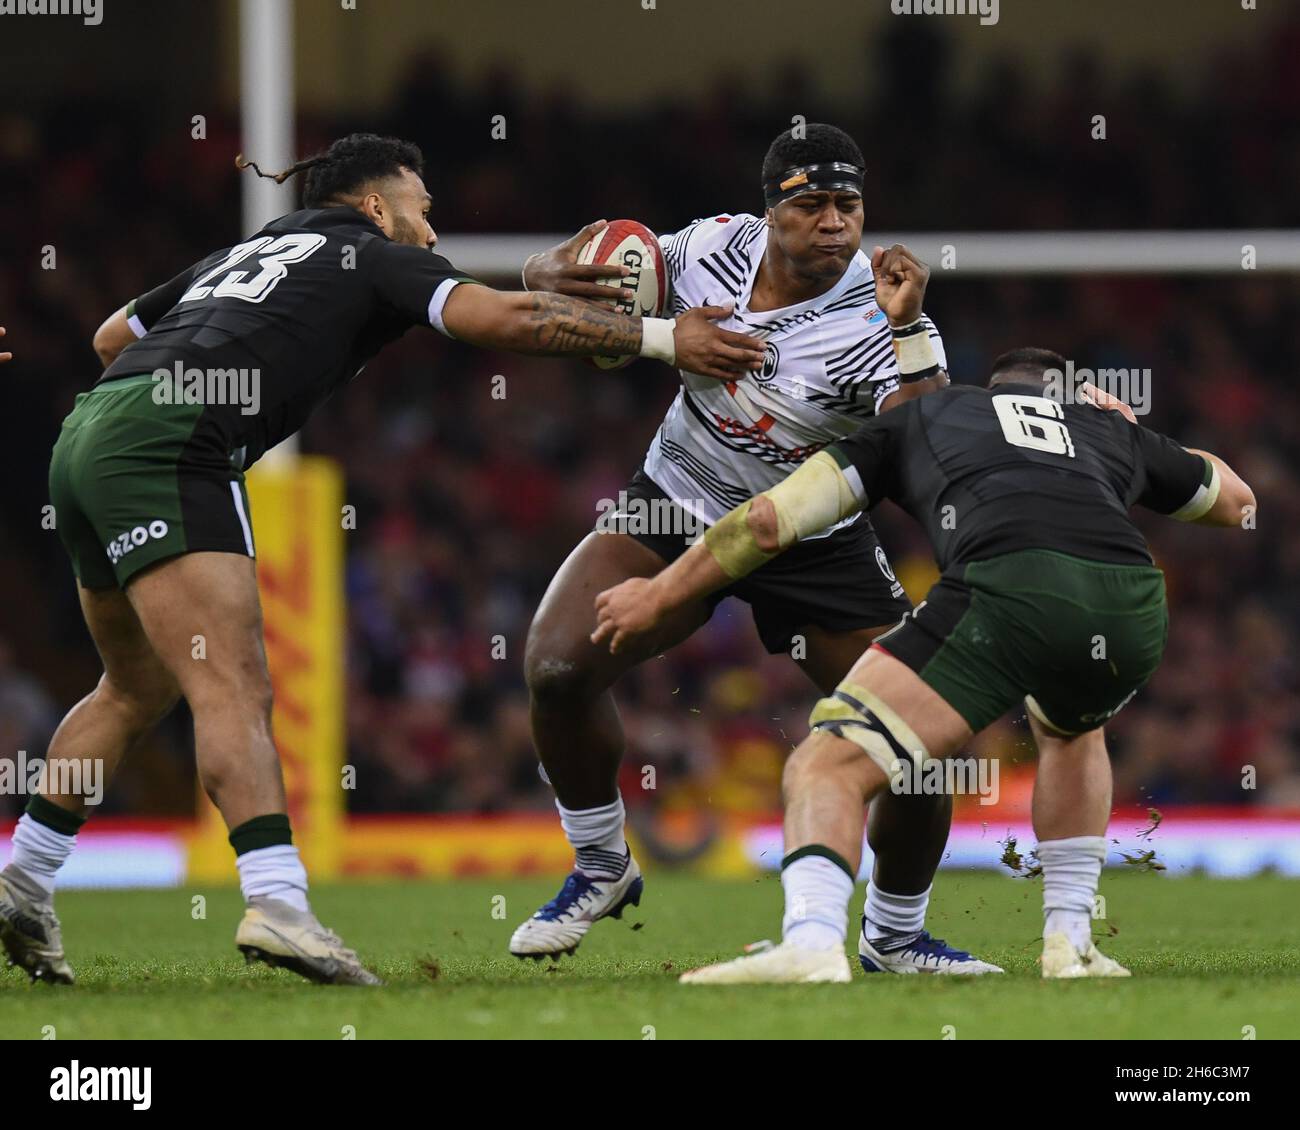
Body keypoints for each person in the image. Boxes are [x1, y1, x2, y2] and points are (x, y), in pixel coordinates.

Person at [0, 133, 764, 987]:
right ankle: (279, 902)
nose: (431, 234)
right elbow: (500, 320)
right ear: (375, 205)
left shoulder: (253, 246)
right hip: (166, 452)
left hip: (89, 434)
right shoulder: (372, 255)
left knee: (133, 687)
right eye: (425, 210)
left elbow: (112, 336)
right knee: (237, 686)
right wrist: (663, 339)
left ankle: (23, 881)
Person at [591, 346, 1254, 982]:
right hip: (1131, 607)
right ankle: (1071, 944)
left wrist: (659, 593)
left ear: (993, 389)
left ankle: (813, 942)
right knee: (1071, 730)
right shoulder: (1106, 428)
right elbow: (1238, 501)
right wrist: (1133, 430)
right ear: (1070, 394)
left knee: (829, 763)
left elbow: (768, 523)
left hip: (1009, 586)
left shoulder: (927, 414)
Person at [511, 123, 999, 975]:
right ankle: (600, 867)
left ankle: (895, 935)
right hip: (676, 500)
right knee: (555, 667)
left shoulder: (882, 311)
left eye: (848, 205)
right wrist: (555, 273)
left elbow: (929, 452)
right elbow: (560, 276)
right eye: (812, 204)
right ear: (770, 209)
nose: (835, 223)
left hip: (814, 535)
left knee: (927, 745)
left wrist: (914, 329)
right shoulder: (707, 250)